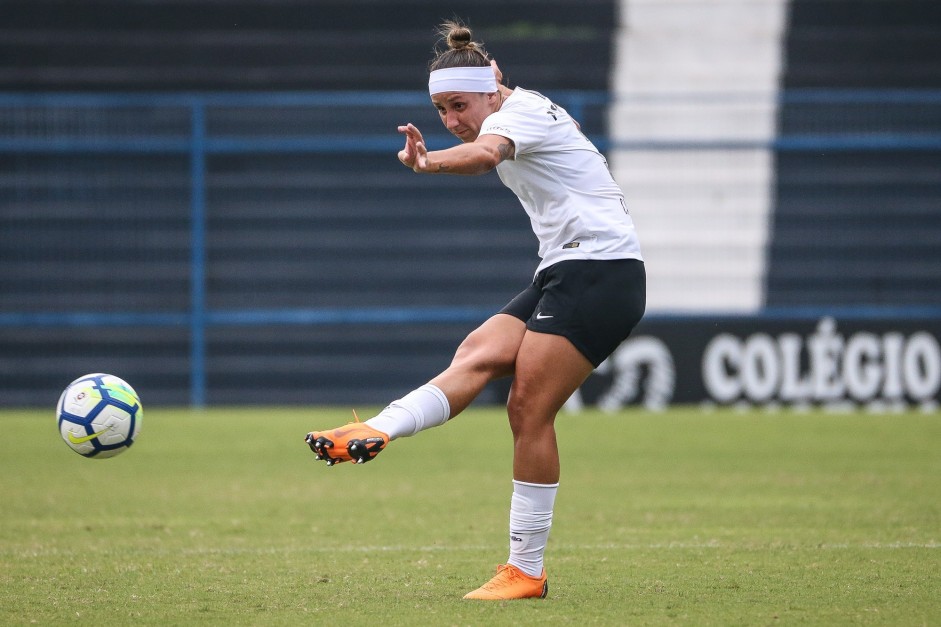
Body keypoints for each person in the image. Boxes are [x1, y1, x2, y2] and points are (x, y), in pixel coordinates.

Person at [305, 20, 645, 600]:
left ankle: (526, 570)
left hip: (602, 271)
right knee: (477, 355)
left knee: (527, 408)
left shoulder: (519, 115)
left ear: (492, 87)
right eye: (441, 109)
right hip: (567, 268)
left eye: (459, 105)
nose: (453, 120)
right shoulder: (519, 108)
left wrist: (431, 162)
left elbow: (488, 153)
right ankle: (378, 428)